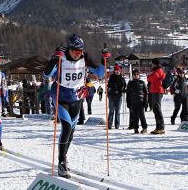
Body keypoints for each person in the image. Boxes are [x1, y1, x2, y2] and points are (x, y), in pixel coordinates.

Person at [44, 34, 109, 178]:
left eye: (79, 51)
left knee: (72, 131)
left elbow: (99, 73)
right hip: (61, 96)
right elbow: (46, 73)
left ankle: (64, 157)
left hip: (77, 96)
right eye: (74, 51)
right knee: (66, 126)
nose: (77, 54)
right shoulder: (62, 57)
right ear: (69, 48)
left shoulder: (85, 57)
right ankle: (61, 163)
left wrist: (104, 60)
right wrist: (54, 59)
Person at [147, 58, 166, 134]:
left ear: (155, 64)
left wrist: (149, 75)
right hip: (155, 91)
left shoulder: (158, 71)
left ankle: (161, 127)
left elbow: (150, 78)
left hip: (157, 91)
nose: (151, 65)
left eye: (152, 63)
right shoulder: (156, 70)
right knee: (155, 109)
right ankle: (158, 127)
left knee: (157, 109)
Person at [126, 69, 148, 134]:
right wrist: (128, 102)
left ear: (139, 75)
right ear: (132, 75)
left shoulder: (142, 82)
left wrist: (145, 102)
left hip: (141, 102)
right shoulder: (130, 83)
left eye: (137, 74)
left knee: (142, 115)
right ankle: (136, 128)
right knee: (134, 116)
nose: (136, 75)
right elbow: (128, 94)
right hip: (133, 102)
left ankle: (144, 128)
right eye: (134, 74)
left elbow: (146, 93)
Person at [107, 65, 126, 129]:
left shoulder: (122, 78)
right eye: (116, 71)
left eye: (118, 71)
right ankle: (109, 125)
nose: (117, 72)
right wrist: (108, 91)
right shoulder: (112, 77)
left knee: (117, 111)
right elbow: (109, 86)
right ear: (114, 71)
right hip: (112, 96)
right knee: (111, 111)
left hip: (119, 96)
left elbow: (124, 86)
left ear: (120, 71)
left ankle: (117, 125)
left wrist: (123, 90)